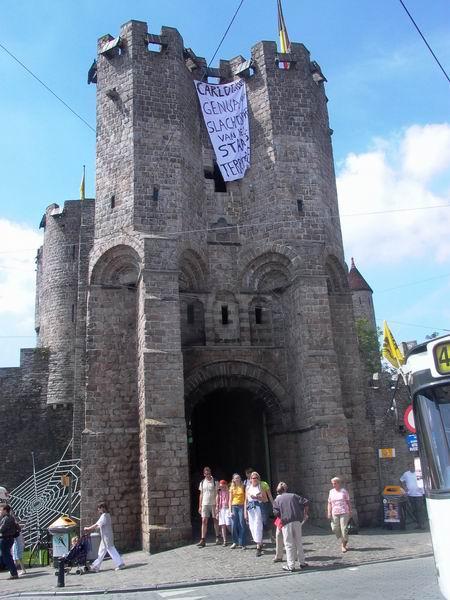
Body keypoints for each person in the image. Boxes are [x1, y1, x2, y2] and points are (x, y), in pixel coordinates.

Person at [272, 482, 309, 572]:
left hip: (286, 522)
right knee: (298, 542)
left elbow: (276, 513)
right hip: (296, 520)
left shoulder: (277, 500)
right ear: (286, 489)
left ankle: (291, 565)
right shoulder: (293, 496)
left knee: (289, 544)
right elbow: (306, 502)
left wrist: (282, 516)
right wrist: (305, 514)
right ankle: (302, 562)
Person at [83, 502, 125, 572]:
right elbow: (99, 525)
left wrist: (88, 528)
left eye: (99, 509)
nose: (99, 510)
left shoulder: (104, 516)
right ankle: (96, 566)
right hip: (105, 537)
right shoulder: (107, 515)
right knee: (101, 552)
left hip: (106, 537)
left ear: (102, 508)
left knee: (111, 550)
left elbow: (96, 525)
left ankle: (120, 564)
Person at [244, 471, 268, 557]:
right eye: (253, 478)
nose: (255, 479)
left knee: (258, 526)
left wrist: (257, 497)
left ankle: (258, 546)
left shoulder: (260, 487)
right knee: (252, 526)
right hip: (250, 509)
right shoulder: (248, 488)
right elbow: (246, 501)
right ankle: (259, 542)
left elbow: (265, 499)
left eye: (256, 478)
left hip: (258, 508)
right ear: (250, 479)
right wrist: (245, 512)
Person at [327, 476, 352, 553]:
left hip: (344, 512)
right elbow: (329, 503)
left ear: (338, 483)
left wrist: (350, 511)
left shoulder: (344, 491)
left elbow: (348, 502)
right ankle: (343, 539)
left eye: (334, 483)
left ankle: (343, 545)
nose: (333, 485)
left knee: (344, 529)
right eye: (332, 483)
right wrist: (329, 512)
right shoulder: (331, 491)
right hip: (335, 512)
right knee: (335, 528)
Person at [197, 466, 220, 547]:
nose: (208, 475)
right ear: (204, 474)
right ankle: (203, 539)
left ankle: (217, 537)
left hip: (213, 503)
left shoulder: (215, 481)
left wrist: (217, 505)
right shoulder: (202, 482)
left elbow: (217, 494)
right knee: (204, 521)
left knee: (215, 520)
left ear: (211, 473)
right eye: (206, 474)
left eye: (209, 473)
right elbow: (201, 494)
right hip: (204, 504)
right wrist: (200, 505)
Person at [0, 504, 19, 579]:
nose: (0, 511)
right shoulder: (8, 518)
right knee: (7, 556)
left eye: (1, 510)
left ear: (5, 510)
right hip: (8, 539)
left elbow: (1, 529)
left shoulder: (7, 518)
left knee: (6, 557)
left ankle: (14, 573)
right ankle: (13, 573)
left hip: (6, 539)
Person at [228, 473, 246, 549]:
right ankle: (235, 542)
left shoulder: (243, 486)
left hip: (241, 506)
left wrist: (245, 508)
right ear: (233, 480)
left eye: (238, 478)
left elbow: (246, 498)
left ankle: (242, 543)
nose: (237, 479)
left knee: (242, 524)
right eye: (236, 478)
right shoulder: (232, 488)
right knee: (233, 525)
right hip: (234, 506)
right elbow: (230, 499)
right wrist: (229, 510)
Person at [216, 480, 231, 546]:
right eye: (221, 486)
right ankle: (225, 541)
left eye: (223, 486)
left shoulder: (229, 491)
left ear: (225, 485)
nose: (222, 487)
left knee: (228, 524)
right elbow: (218, 502)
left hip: (227, 509)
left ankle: (235, 536)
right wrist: (217, 511)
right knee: (222, 525)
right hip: (221, 509)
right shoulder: (219, 493)